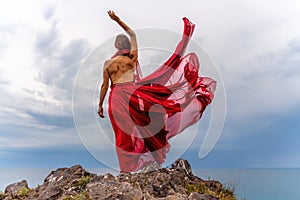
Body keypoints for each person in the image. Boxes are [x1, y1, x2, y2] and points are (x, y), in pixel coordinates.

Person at [98, 10, 216, 173]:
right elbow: (133, 35)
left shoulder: (108, 63)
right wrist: (117, 20)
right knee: (145, 123)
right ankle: (137, 163)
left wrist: (99, 105)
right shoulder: (131, 59)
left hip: (116, 97)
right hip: (132, 95)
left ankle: (126, 169)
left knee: (121, 133)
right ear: (126, 45)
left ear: (116, 46)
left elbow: (105, 85)